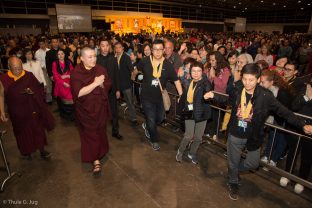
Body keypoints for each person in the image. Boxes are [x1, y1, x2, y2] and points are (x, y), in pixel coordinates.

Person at [203, 63, 312, 201]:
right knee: (232, 161)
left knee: (253, 164)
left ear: (258, 79)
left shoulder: (266, 96)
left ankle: (234, 171)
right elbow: (228, 100)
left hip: (253, 136)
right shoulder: (237, 89)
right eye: (244, 79)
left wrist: (302, 125)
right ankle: (233, 181)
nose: (247, 83)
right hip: (235, 134)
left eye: (251, 80)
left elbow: (285, 113)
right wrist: (213, 95)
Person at [0, 57, 55, 160]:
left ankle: (42, 150)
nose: (18, 71)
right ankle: (27, 152)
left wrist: (32, 91)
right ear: (9, 67)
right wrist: (2, 111)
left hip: (32, 108)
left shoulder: (28, 75)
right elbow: (1, 95)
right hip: (17, 112)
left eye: (20, 68)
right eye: (15, 68)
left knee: (38, 129)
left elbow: (38, 88)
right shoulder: (4, 79)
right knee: (22, 133)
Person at [70, 47, 112, 176]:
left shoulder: (100, 69)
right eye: (90, 57)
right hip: (86, 111)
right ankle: (95, 159)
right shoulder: (76, 73)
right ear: (81, 58)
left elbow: (108, 83)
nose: (93, 59)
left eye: (94, 56)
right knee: (90, 134)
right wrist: (95, 83)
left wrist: (102, 85)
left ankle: (101, 151)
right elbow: (79, 93)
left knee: (100, 131)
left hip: (100, 108)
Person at [137, 39, 183, 151]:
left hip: (159, 97)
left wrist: (181, 94)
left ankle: (148, 126)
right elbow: (137, 70)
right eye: (155, 49)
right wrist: (137, 75)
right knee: (151, 119)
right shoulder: (145, 61)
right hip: (146, 96)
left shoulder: (167, 65)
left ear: (163, 51)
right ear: (152, 50)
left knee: (160, 118)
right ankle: (154, 140)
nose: (158, 52)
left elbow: (176, 80)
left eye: (160, 49)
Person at [175, 61, 212, 164]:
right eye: (193, 71)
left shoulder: (205, 83)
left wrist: (207, 96)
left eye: (198, 71)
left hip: (201, 113)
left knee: (198, 137)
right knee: (188, 135)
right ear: (190, 72)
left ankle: (192, 153)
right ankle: (180, 151)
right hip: (189, 111)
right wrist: (181, 99)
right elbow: (184, 91)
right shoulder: (188, 81)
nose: (196, 73)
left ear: (202, 71)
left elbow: (208, 92)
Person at [97, 39, 122, 140]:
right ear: (99, 47)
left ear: (109, 47)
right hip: (99, 91)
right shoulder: (96, 60)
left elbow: (117, 75)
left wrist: (118, 90)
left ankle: (115, 132)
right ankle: (100, 133)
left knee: (114, 112)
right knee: (100, 113)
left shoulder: (113, 59)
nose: (105, 48)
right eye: (102, 46)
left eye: (107, 45)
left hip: (112, 90)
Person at [114, 42, 139, 127]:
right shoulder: (113, 57)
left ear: (122, 48)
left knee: (130, 102)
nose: (118, 49)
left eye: (119, 47)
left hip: (126, 83)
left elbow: (132, 69)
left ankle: (134, 119)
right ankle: (114, 116)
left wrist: (132, 77)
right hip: (116, 84)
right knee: (114, 101)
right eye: (116, 48)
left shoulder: (126, 57)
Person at [52, 49, 74, 120]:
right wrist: (63, 82)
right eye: (59, 54)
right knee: (63, 100)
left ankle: (72, 115)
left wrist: (68, 76)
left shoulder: (69, 62)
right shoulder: (55, 63)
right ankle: (65, 116)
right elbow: (55, 76)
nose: (61, 55)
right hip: (60, 84)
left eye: (62, 54)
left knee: (72, 99)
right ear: (57, 56)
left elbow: (73, 72)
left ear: (64, 54)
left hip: (70, 82)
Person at [35, 38, 52, 103]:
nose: (41, 45)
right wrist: (44, 68)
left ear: (45, 43)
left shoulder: (49, 50)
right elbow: (38, 63)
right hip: (43, 69)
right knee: (47, 84)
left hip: (50, 69)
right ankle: (49, 99)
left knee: (51, 83)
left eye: (42, 44)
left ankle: (52, 96)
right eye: (40, 44)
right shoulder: (37, 52)